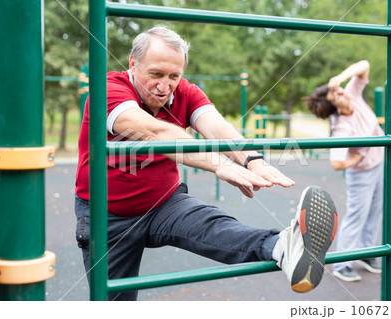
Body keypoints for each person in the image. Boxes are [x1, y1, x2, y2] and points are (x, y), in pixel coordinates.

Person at [75, 25, 337, 300]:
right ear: (133, 63)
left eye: (174, 76)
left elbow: (216, 126)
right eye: (155, 74)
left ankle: (282, 247)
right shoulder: (109, 90)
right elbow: (157, 133)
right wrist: (221, 165)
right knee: (114, 301)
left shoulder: (185, 92)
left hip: (164, 203)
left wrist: (252, 160)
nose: (164, 86)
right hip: (108, 216)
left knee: (211, 224)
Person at [306, 60, 384, 282]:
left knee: (375, 211)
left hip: (379, 163)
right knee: (357, 215)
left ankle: (366, 253)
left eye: (340, 90)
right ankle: (342, 263)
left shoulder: (352, 94)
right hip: (361, 173)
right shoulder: (342, 128)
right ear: (336, 107)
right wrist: (357, 158)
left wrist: (339, 80)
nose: (343, 92)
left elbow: (365, 65)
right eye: (338, 94)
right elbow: (337, 163)